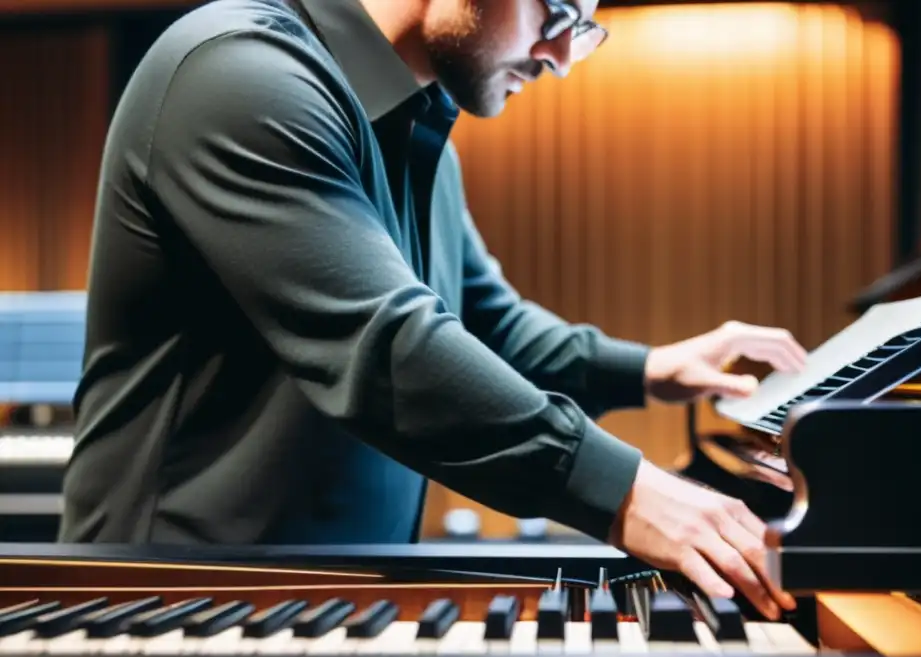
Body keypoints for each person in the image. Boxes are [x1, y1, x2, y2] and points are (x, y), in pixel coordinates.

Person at [60, 0, 806, 620]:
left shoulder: (420, 132)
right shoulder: (238, 73)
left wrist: (652, 370)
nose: (562, 56)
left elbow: (492, 327)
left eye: (583, 25)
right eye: (555, 10)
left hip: (317, 604)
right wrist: (629, 491)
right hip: (167, 603)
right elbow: (384, 348)